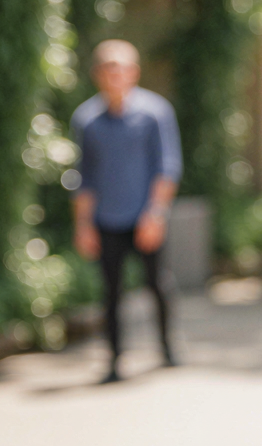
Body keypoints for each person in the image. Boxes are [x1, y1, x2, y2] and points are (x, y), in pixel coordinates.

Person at [72, 40, 182, 383]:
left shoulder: (155, 112)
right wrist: (83, 225)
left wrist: (156, 214)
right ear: (97, 75)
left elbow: (167, 167)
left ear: (134, 72)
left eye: (121, 67)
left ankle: (167, 348)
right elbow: (84, 178)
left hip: (144, 217)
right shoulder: (87, 119)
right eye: (108, 68)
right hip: (106, 218)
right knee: (111, 291)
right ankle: (114, 362)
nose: (115, 74)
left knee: (156, 283)